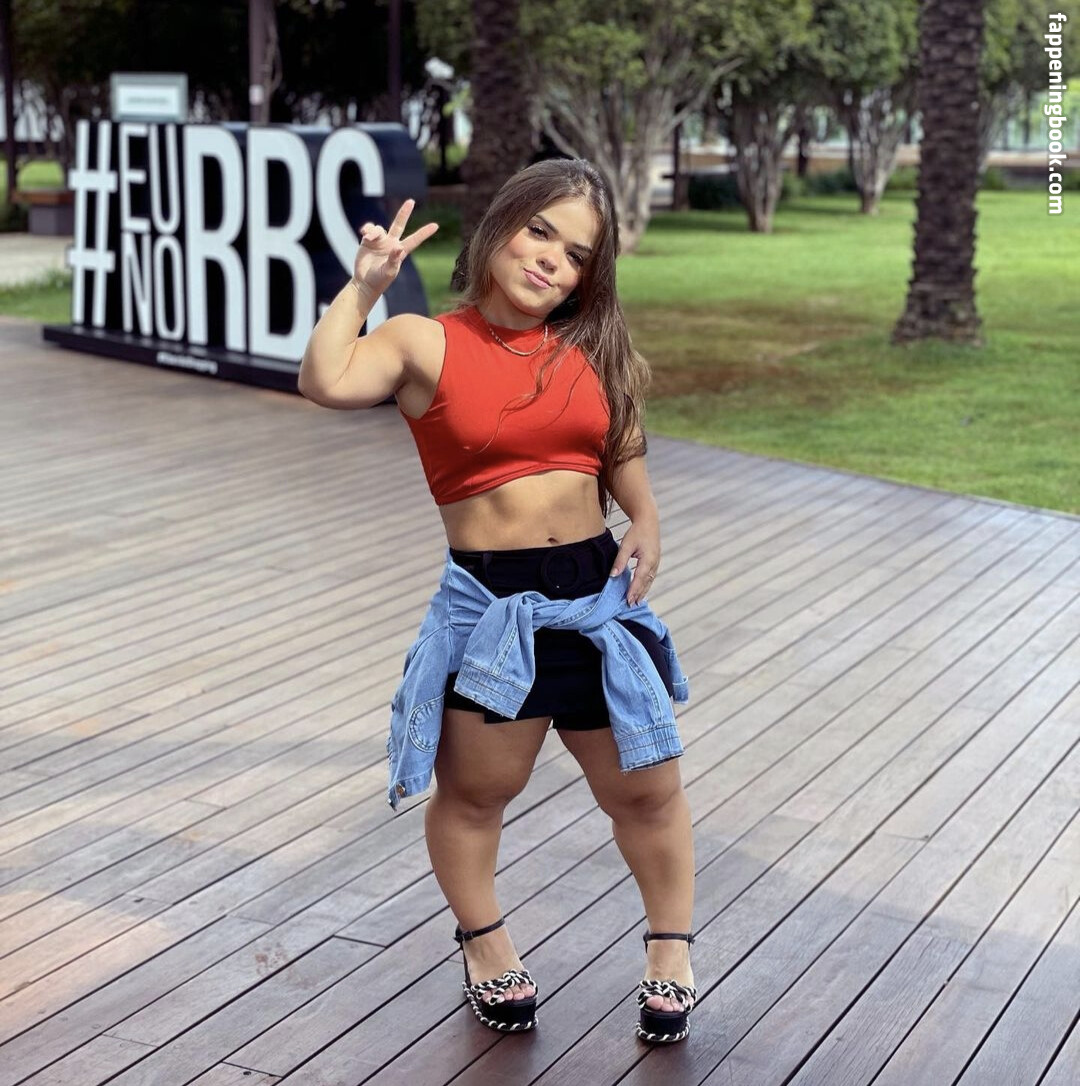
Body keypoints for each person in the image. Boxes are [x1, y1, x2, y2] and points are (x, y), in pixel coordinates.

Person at [297, 158, 697, 1045]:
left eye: (577, 253)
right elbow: (325, 381)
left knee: (648, 792)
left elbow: (620, 441)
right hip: (493, 613)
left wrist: (645, 514)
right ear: (499, 227)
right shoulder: (422, 342)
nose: (552, 259)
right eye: (540, 231)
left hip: (598, 606)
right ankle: (486, 945)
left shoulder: (589, 348)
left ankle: (670, 950)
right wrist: (365, 289)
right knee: (479, 793)